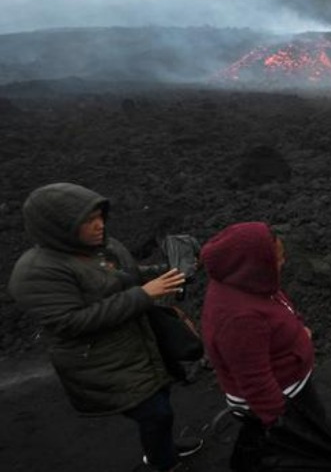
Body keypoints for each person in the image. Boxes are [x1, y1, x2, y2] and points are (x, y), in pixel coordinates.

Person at [8, 182, 203, 472]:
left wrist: (168, 274)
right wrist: (144, 294)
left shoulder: (104, 247)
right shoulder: (38, 272)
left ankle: (161, 451)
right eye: (88, 221)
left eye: (100, 216)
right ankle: (164, 463)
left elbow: (130, 276)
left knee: (160, 402)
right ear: (58, 227)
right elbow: (70, 322)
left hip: (138, 344)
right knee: (155, 413)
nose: (99, 225)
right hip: (101, 360)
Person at [200, 221, 331, 471]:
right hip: (281, 396)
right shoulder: (239, 318)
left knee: (317, 422)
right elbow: (255, 382)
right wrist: (282, 424)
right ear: (254, 265)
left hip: (292, 384)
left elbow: (280, 307)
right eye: (278, 259)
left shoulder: (247, 282)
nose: (283, 263)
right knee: (300, 448)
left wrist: (298, 330)